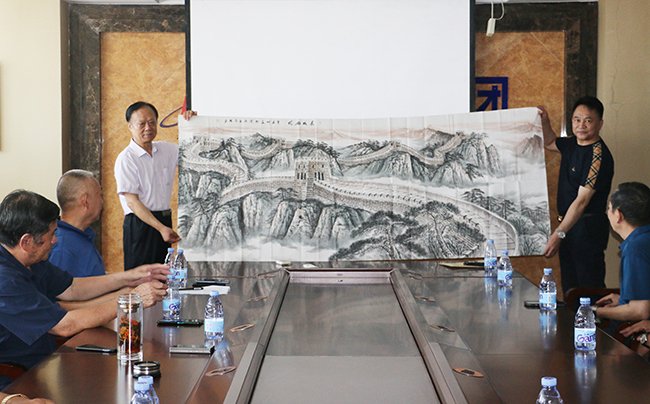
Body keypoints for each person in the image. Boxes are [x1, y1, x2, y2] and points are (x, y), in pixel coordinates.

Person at [0, 190, 169, 390]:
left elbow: (72, 288)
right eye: (51, 234)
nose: (55, 240)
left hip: (48, 360)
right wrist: (132, 298)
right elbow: (64, 326)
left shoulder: (30, 259)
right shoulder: (5, 281)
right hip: (18, 376)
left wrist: (130, 276)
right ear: (26, 242)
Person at [539, 96, 614, 294]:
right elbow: (549, 142)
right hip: (569, 226)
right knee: (571, 289)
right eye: (577, 119)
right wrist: (545, 122)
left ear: (600, 124)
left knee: (589, 289)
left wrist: (558, 234)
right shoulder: (572, 143)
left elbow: (582, 201)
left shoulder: (598, 156)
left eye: (588, 120)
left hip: (587, 230)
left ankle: (595, 316)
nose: (581, 125)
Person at [114, 102, 196, 270]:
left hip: (164, 220)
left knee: (163, 275)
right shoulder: (126, 158)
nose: (148, 128)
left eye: (152, 122)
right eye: (141, 124)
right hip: (140, 225)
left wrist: (193, 125)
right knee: (142, 277)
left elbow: (194, 152)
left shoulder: (166, 150)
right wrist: (161, 228)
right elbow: (132, 202)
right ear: (130, 126)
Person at [592, 183, 650, 323]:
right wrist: (623, 300)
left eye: (609, 208)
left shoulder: (635, 249)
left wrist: (593, 311)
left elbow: (639, 311)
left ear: (618, 215)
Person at [49, 170, 105, 277]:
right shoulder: (62, 249)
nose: (102, 202)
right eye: (100, 196)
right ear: (85, 201)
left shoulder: (80, 236)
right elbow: (61, 287)